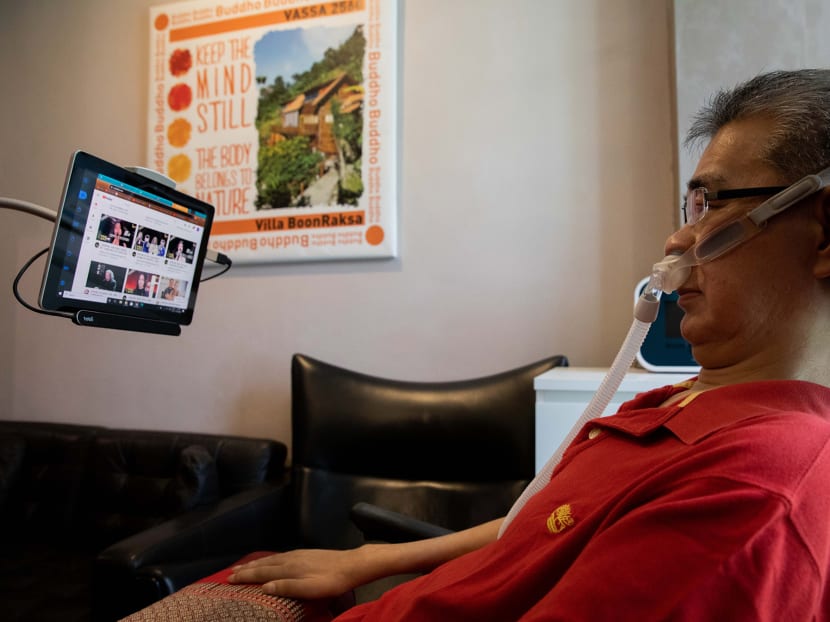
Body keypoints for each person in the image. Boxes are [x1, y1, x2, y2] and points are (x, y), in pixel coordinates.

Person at [139, 69, 830, 620]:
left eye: (715, 204)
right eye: (691, 206)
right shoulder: (692, 403)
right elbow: (540, 524)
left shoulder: (753, 491)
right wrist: (369, 559)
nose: (679, 239)